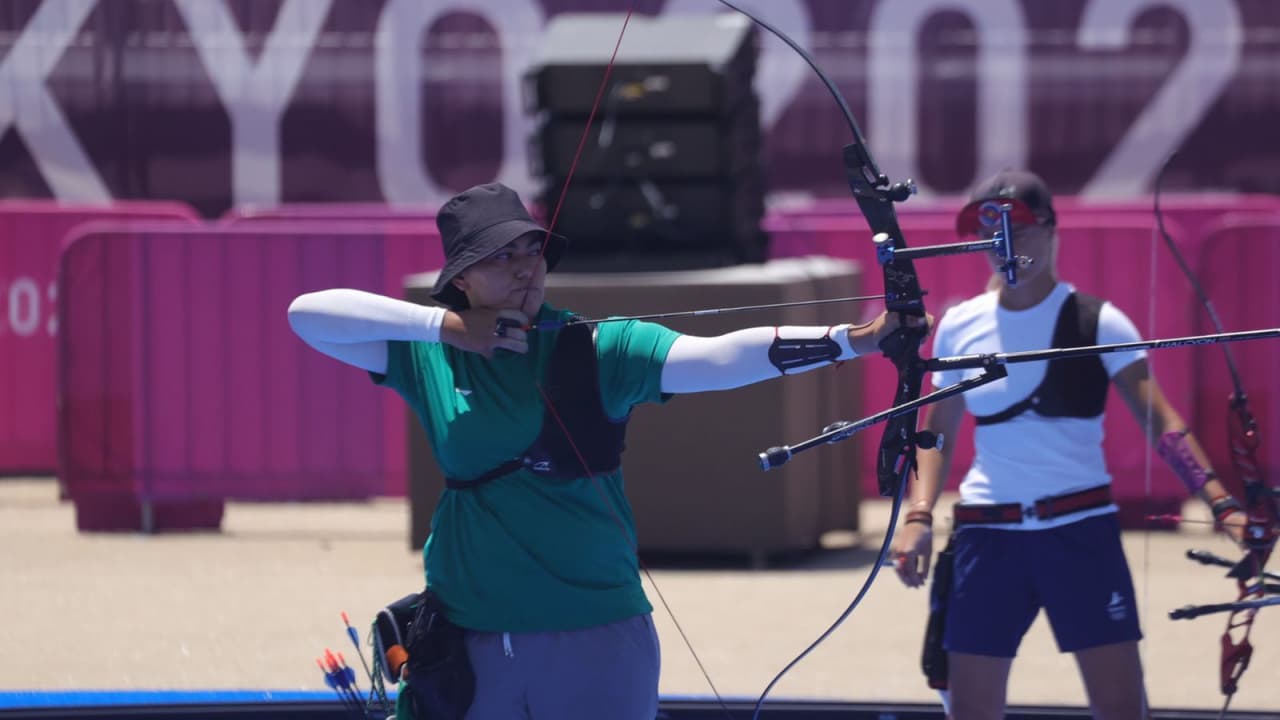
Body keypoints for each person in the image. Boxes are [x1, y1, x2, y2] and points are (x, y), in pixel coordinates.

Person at [288, 182, 924, 720]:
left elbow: (717, 358)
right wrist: (447, 327)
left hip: (594, 635)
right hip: (470, 640)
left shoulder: (594, 349)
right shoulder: (424, 352)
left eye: (530, 249)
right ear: (460, 278)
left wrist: (858, 339)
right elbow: (307, 314)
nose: (523, 266)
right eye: (499, 256)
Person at [889, 169, 1247, 720]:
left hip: (1080, 531)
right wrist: (917, 517)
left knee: (1122, 708)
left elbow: (1163, 422)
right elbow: (935, 433)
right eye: (991, 234)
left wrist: (1221, 502)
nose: (1006, 247)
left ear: (1052, 232)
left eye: (1021, 231)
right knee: (971, 712)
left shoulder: (1098, 321)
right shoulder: (960, 325)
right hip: (988, 534)